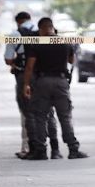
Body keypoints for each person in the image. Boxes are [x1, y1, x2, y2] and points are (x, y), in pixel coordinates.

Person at [22, 17, 88, 160]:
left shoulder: (37, 44)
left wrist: (26, 84)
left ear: (41, 30)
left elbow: (29, 67)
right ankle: (73, 149)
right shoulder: (64, 42)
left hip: (42, 82)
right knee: (65, 117)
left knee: (40, 117)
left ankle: (40, 151)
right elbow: (71, 60)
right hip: (61, 82)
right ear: (53, 28)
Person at [5, 12, 62, 159]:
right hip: (42, 76)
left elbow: (8, 59)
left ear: (18, 22)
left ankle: (35, 149)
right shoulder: (43, 32)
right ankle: (55, 150)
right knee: (48, 113)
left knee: (29, 113)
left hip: (24, 75)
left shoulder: (15, 34)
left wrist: (18, 62)